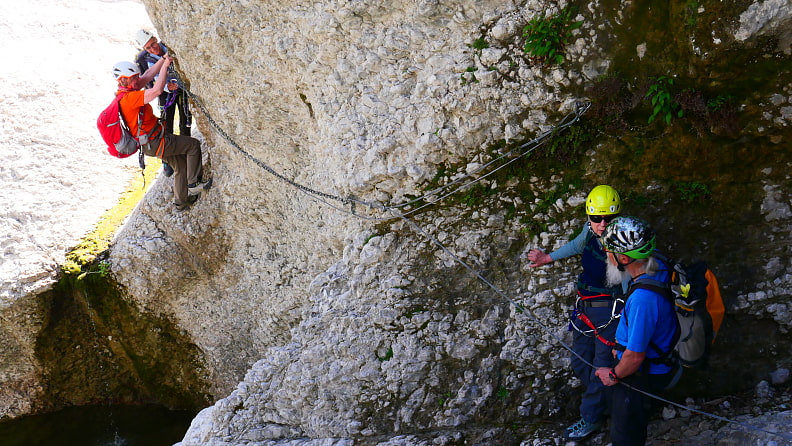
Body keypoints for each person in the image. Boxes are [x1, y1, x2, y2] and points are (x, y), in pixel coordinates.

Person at [526, 185, 625, 441]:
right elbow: (577, 245)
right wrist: (548, 258)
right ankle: (610, 405)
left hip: (611, 312)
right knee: (581, 363)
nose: (603, 224)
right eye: (597, 218)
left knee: (601, 368)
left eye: (609, 218)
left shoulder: (624, 241)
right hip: (585, 308)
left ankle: (591, 419)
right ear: (589, 216)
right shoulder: (589, 231)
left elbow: (632, 277)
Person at [595, 216, 678, 446]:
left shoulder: (643, 298)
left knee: (626, 435)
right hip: (653, 359)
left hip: (640, 375)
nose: (607, 257)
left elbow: (634, 358)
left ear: (623, 258)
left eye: (609, 252)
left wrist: (612, 375)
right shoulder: (658, 264)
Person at [112, 56, 209, 210]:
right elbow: (157, 90)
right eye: (133, 78)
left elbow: (148, 74)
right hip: (158, 141)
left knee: (181, 166)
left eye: (137, 76)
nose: (137, 80)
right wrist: (165, 66)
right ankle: (194, 184)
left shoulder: (128, 92)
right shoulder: (130, 98)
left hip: (150, 144)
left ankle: (181, 202)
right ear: (123, 80)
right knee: (193, 145)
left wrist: (163, 60)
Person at [135, 29, 193, 177]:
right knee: (166, 125)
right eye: (148, 47)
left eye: (153, 44)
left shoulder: (168, 47)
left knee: (185, 120)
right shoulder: (146, 60)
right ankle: (168, 161)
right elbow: (150, 79)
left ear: (156, 39)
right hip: (164, 94)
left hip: (182, 89)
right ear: (145, 49)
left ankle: (185, 154)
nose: (153, 48)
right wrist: (167, 87)